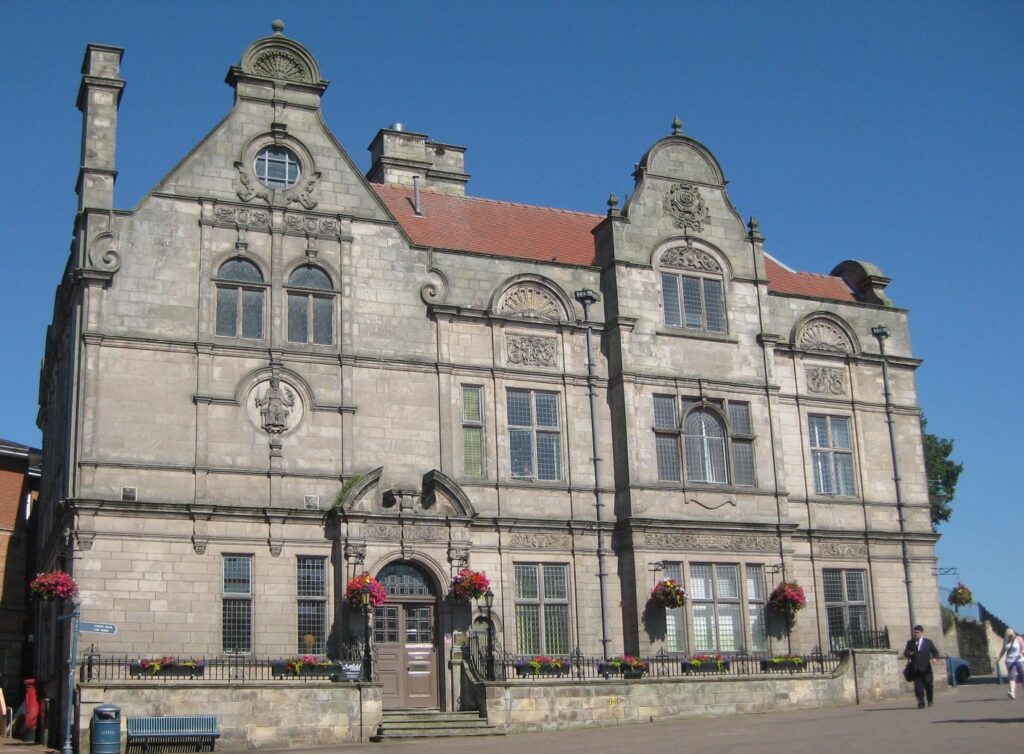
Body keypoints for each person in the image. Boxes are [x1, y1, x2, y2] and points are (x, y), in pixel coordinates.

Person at [903, 625, 940, 708]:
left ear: (922, 633)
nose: (916, 634)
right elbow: (905, 653)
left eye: (918, 633)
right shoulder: (910, 642)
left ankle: (930, 699)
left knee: (928, 684)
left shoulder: (928, 642)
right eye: (915, 633)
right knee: (918, 687)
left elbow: (935, 652)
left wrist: (935, 658)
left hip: (926, 669)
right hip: (915, 668)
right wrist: (908, 653)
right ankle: (921, 702)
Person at [995, 627, 1024, 699]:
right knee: (1012, 677)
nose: (1010, 636)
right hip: (1010, 661)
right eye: (1008, 635)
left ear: (1013, 633)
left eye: (1011, 634)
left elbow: (1023, 648)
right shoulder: (1005, 640)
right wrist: (999, 657)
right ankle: (1012, 692)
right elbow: (1003, 650)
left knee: (1022, 677)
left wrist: (1021, 653)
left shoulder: (1018, 639)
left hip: (1019, 660)